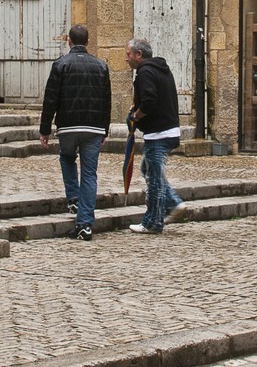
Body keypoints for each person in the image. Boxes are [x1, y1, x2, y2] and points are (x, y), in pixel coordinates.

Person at [39, 24, 111, 242]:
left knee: (67, 158)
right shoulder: (101, 66)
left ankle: (73, 198)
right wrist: (104, 130)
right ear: (87, 42)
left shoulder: (60, 64)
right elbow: (107, 101)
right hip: (93, 127)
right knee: (89, 174)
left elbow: (50, 99)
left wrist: (45, 130)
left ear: (69, 41)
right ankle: (85, 224)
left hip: (68, 126)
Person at [125, 38, 183, 234]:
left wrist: (136, 115)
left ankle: (152, 222)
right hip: (169, 129)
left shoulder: (145, 72)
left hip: (159, 133)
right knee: (148, 170)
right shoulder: (160, 68)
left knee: (154, 179)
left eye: (128, 54)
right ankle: (173, 203)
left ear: (139, 55)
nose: (127, 59)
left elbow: (149, 100)